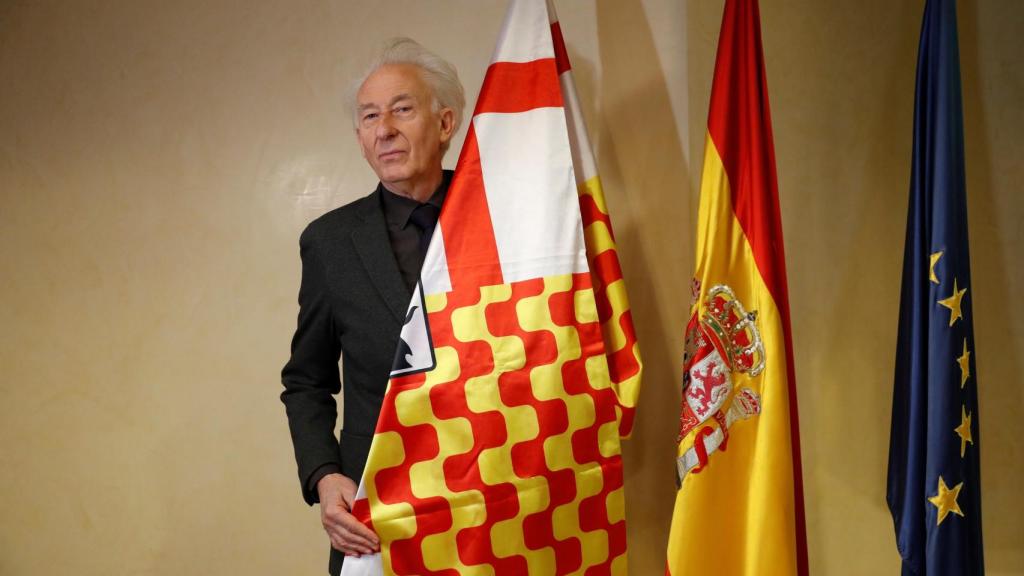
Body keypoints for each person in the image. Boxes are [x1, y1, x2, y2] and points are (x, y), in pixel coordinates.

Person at [280, 37, 465, 575]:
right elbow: (306, 381)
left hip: (495, 496)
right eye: (369, 116)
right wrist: (324, 474)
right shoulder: (330, 242)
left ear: (445, 123)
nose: (384, 128)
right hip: (377, 512)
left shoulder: (503, 220)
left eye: (402, 109)